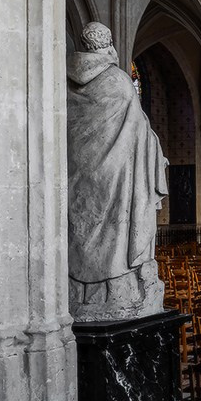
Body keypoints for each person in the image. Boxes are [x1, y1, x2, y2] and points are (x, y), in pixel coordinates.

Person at [67, 21, 168, 319]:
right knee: (117, 234)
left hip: (77, 181)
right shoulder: (120, 82)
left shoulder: (62, 81)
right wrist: (155, 150)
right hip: (117, 179)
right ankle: (118, 286)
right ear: (108, 43)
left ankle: (80, 289)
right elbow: (138, 132)